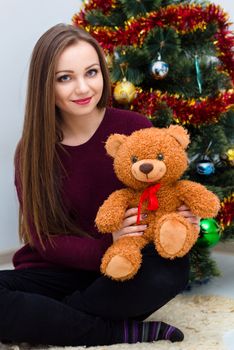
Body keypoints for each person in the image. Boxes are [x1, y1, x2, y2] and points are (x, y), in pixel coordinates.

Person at [0, 23, 200, 347]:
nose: (82, 88)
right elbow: (43, 239)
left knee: (170, 270)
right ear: (45, 86)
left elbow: (159, 196)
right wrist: (108, 241)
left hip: (123, 270)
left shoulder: (133, 127)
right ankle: (113, 331)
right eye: (65, 78)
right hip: (58, 270)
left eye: (91, 72)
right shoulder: (32, 149)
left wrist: (178, 218)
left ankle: (49, 322)